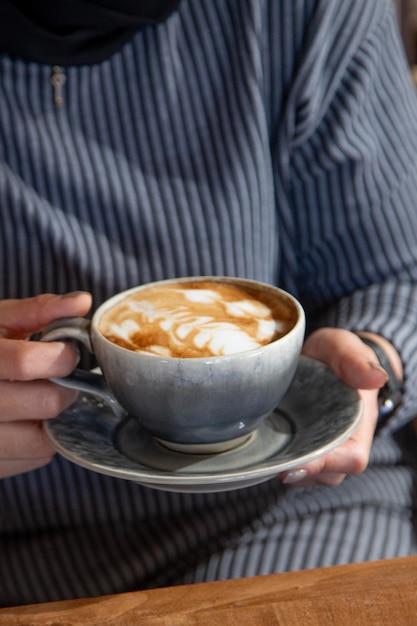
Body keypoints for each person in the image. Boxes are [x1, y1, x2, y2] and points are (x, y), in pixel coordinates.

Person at [1, 0, 417, 607]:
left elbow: (399, 275)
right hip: (27, 551)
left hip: (287, 505)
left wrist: (370, 362)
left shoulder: (304, 11)